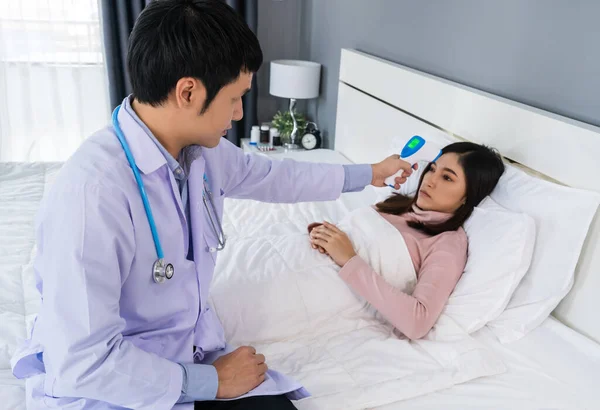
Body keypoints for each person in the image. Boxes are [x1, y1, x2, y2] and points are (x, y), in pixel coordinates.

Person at [9, 1, 413, 410]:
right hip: (116, 387)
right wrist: (210, 381)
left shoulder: (202, 153)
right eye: (235, 98)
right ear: (188, 92)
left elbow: (276, 177)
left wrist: (368, 173)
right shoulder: (92, 194)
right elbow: (84, 362)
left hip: (185, 356)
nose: (239, 114)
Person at [309, 142, 505, 340]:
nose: (429, 181)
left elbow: (417, 322)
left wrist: (349, 260)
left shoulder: (446, 243)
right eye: (432, 169)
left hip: (316, 292)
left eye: (447, 177)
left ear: (467, 196)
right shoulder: (398, 205)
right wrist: (323, 233)